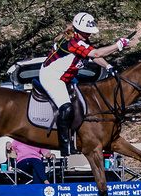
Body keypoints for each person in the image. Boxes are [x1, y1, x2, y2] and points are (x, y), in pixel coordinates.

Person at [39, 12, 129, 156]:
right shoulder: (74, 43)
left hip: (66, 77)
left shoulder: (82, 41)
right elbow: (97, 53)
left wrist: (108, 67)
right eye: (87, 32)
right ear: (78, 30)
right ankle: (65, 146)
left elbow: (92, 56)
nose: (89, 34)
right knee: (67, 108)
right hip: (52, 77)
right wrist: (118, 45)